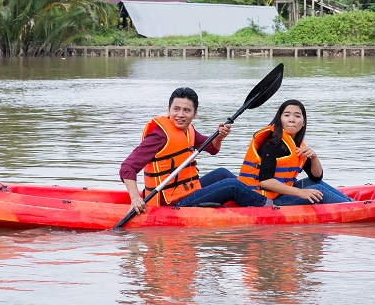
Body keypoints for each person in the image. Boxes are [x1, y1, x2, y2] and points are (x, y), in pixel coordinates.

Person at [120, 87, 270, 214]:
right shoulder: (159, 136)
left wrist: (218, 136)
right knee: (232, 185)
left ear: (195, 114)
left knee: (222, 173)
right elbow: (127, 167)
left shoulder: (188, 130)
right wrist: (135, 198)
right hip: (171, 203)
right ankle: (270, 207)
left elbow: (212, 148)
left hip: (187, 190)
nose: (180, 115)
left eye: (186, 110)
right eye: (176, 109)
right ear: (168, 110)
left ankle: (252, 200)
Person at [239, 99, 353, 205]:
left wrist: (314, 157)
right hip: (264, 199)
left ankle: (352, 203)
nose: (292, 119)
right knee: (320, 190)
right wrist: (300, 192)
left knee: (316, 184)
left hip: (281, 193)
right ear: (280, 119)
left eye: (297, 116)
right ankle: (354, 207)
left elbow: (316, 177)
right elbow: (265, 182)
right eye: (287, 115)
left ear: (303, 122)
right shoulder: (271, 144)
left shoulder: (297, 146)